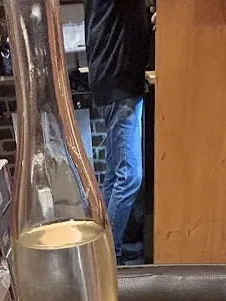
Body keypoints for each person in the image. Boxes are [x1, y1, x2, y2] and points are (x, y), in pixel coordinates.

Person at [84, 0, 150, 264]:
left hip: (113, 81)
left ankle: (113, 247)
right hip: (119, 82)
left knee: (115, 174)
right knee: (130, 175)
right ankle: (109, 255)